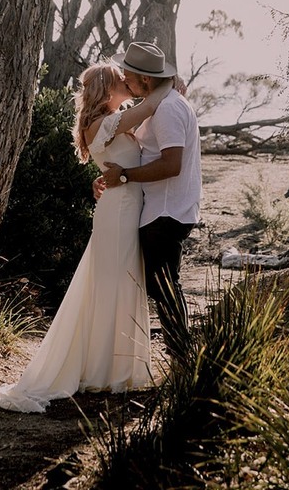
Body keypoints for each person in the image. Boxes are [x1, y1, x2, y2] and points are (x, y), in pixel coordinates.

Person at [0, 62, 170, 413]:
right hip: (119, 214)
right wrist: (164, 80)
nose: (127, 84)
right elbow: (149, 106)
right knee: (115, 283)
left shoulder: (111, 122)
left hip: (125, 209)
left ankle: (115, 367)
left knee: (121, 284)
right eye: (120, 81)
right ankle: (108, 368)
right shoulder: (103, 123)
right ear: (106, 89)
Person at [101, 41, 202, 361]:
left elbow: (172, 164)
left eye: (128, 77)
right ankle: (181, 355)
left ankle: (183, 359)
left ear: (145, 80)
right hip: (163, 209)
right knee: (162, 287)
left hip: (166, 211)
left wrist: (125, 176)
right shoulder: (166, 103)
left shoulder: (169, 109)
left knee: (165, 288)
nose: (124, 82)